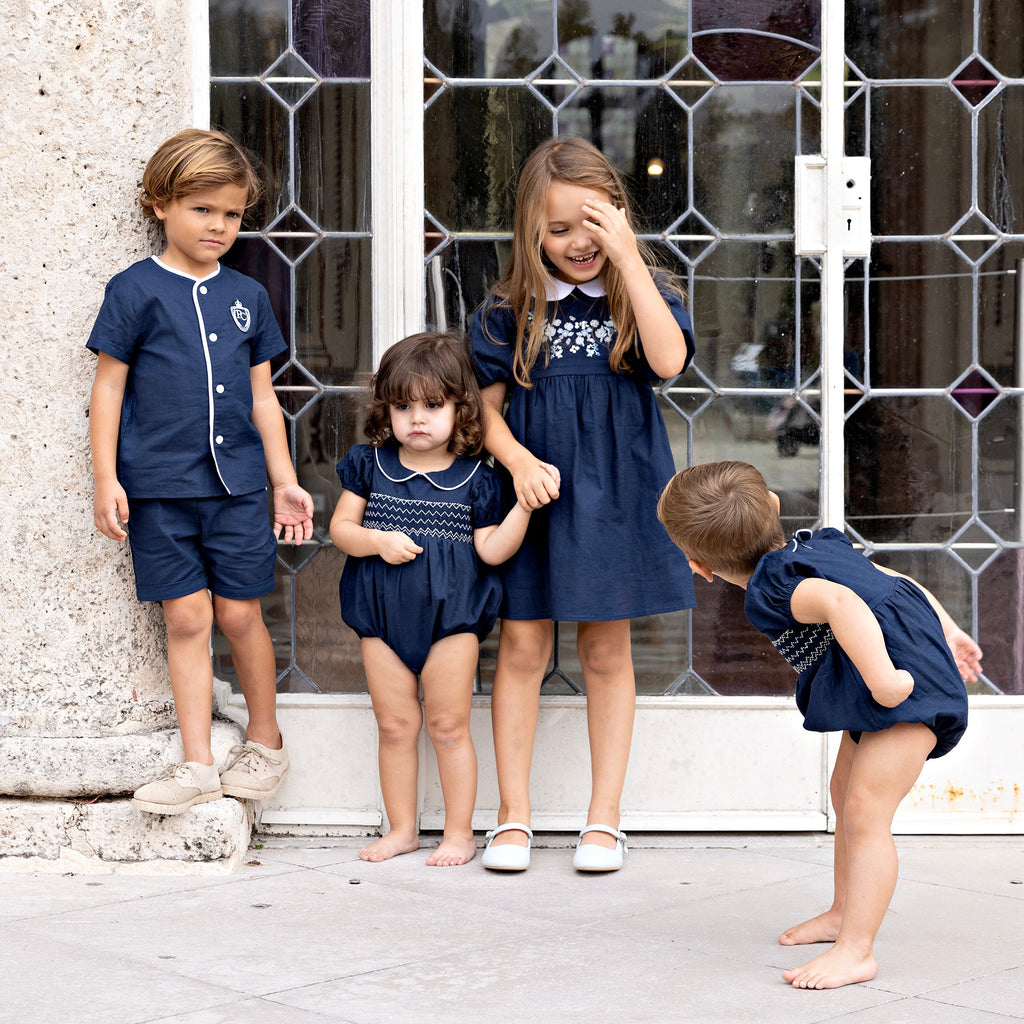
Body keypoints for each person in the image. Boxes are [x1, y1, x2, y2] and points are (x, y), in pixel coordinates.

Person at [657, 460, 981, 989]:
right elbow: (895, 581)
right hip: (888, 675)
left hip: (902, 685)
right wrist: (948, 628)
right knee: (844, 790)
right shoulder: (813, 546)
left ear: (700, 567)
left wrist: (883, 681)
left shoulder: (773, 591)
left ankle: (857, 950)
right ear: (777, 510)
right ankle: (842, 912)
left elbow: (841, 601)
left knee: (865, 811)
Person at [470, 136, 696, 872]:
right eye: (557, 229)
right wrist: (516, 460)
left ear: (620, 219)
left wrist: (630, 258)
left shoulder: (644, 295)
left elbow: (668, 363)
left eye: (591, 225)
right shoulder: (509, 310)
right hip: (532, 495)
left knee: (605, 649)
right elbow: (483, 410)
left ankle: (604, 819)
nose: (576, 243)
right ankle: (512, 816)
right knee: (524, 647)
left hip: (617, 494)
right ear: (531, 232)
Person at [88, 129, 314, 816]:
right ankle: (195, 762)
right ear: (160, 204)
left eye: (233, 214)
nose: (219, 226)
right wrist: (107, 478)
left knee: (241, 613)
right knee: (186, 618)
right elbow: (108, 390)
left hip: (239, 489)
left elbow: (264, 399)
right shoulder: (133, 290)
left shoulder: (247, 293)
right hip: (159, 491)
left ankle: (266, 743)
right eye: (202, 210)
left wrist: (284, 478)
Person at [330, 332, 532, 867]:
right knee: (395, 725)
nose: (417, 418)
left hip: (453, 620)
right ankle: (401, 828)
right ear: (386, 410)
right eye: (403, 406)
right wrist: (375, 541)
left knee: (447, 726)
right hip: (380, 617)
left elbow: (490, 552)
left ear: (462, 408)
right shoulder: (369, 465)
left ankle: (459, 833)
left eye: (433, 405)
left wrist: (524, 509)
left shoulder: (478, 479)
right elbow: (341, 530)